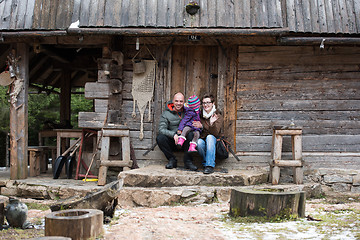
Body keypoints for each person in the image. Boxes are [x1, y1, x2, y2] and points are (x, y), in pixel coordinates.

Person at [156, 92, 198, 171]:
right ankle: (172, 160)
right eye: (176, 101)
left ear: (184, 102)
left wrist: (200, 125)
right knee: (160, 138)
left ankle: (188, 161)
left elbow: (196, 122)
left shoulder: (189, 112)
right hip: (173, 142)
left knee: (191, 134)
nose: (178, 103)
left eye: (181, 101)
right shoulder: (166, 114)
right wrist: (173, 135)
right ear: (173, 101)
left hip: (185, 142)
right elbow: (161, 129)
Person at [193, 94, 223, 174]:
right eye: (204, 103)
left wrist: (210, 124)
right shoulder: (200, 115)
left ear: (213, 103)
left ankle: (209, 166)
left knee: (210, 137)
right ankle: (206, 162)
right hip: (203, 139)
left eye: (208, 102)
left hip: (214, 141)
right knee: (198, 142)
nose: (206, 105)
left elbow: (215, 133)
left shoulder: (217, 115)